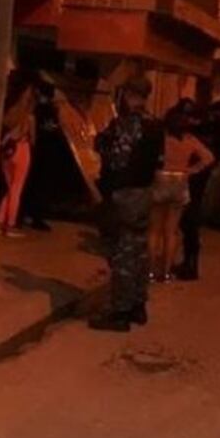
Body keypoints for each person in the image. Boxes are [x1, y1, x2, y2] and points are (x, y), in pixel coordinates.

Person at [89, 75, 164, 332]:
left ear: (129, 94)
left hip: (124, 193)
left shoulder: (127, 124)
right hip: (144, 192)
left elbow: (118, 159)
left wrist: (102, 144)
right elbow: (158, 161)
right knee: (138, 252)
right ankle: (137, 306)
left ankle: (119, 312)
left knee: (122, 253)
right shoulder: (154, 123)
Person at [150, 107, 215, 282]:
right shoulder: (189, 140)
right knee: (171, 231)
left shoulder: (162, 138)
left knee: (155, 230)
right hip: (180, 180)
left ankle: (150, 271)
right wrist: (192, 170)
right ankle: (166, 272)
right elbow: (209, 157)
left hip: (161, 177)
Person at [19, 80, 61, 232]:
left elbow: (34, 135)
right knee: (40, 186)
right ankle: (35, 216)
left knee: (30, 184)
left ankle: (25, 214)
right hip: (46, 153)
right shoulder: (51, 111)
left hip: (37, 152)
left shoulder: (37, 110)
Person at [0, 79, 37, 237]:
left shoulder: (10, 112)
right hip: (22, 149)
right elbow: (33, 139)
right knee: (16, 188)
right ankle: (10, 224)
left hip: (7, 151)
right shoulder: (29, 117)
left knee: (9, 188)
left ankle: (0, 220)